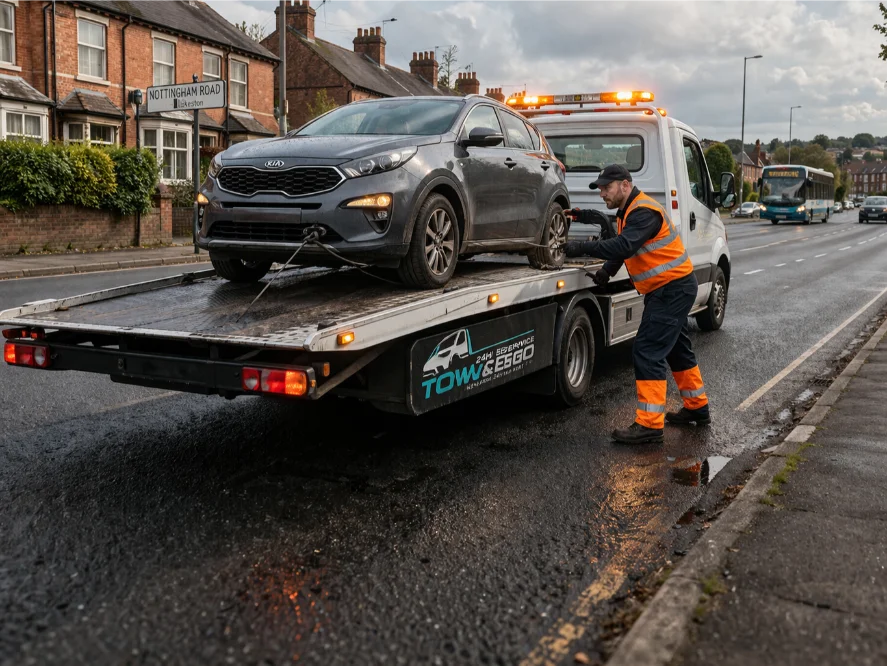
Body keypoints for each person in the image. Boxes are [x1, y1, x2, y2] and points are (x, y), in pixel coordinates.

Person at [564, 164, 710, 444]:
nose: (602, 194)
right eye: (601, 189)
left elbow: (623, 246)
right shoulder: (628, 212)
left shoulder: (644, 211)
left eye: (607, 188)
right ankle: (697, 407)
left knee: (647, 351)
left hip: (671, 289)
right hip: (670, 288)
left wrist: (583, 247)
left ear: (625, 185)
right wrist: (606, 272)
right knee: (677, 350)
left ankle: (650, 425)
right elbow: (624, 250)